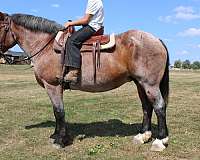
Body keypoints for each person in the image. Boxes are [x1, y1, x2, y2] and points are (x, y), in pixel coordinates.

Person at [63, 0, 104, 83]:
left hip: (92, 28)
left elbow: (86, 20)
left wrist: (70, 23)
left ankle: (73, 72)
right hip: (95, 26)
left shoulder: (93, 1)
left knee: (71, 41)